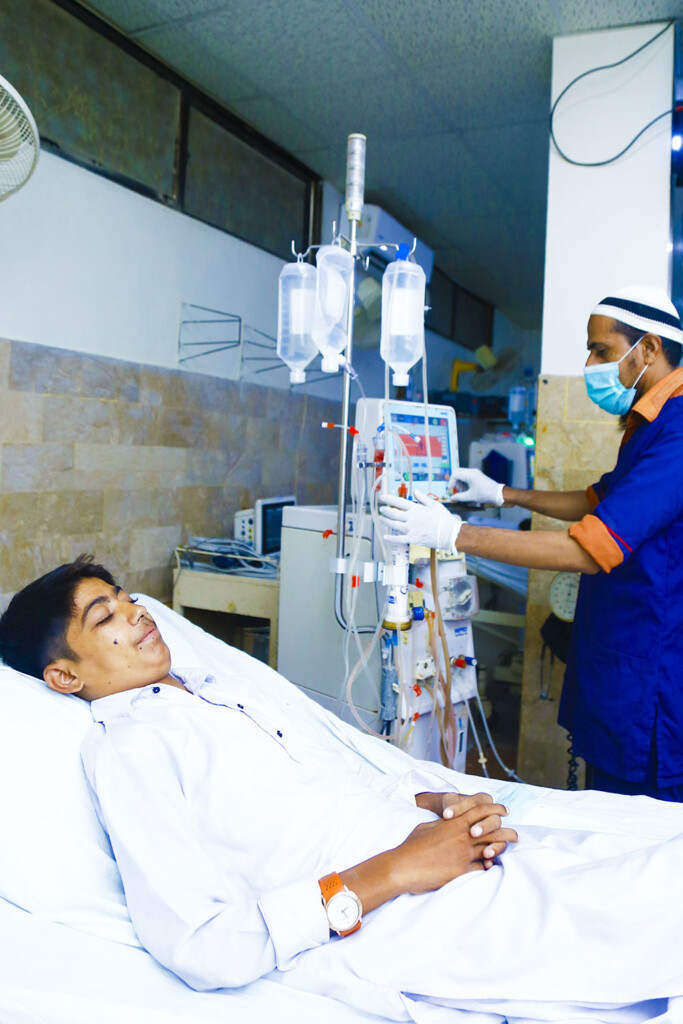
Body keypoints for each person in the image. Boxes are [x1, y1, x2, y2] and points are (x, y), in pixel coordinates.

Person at [0, 555, 682, 1024]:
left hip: (454, 855)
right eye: (104, 617)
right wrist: (401, 866)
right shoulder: (134, 750)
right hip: (402, 911)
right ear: (64, 676)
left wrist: (433, 805)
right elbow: (201, 946)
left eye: (126, 597)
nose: (136, 612)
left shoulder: (220, 693)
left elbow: (323, 793)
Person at [380, 285, 683, 802]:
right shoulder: (648, 424)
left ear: (649, 349)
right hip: (620, 664)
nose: (590, 364)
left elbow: (589, 548)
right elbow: (597, 500)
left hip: (648, 684)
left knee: (631, 832)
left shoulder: (677, 430)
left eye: (602, 351)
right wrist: (502, 493)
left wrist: (453, 534)